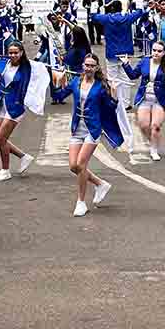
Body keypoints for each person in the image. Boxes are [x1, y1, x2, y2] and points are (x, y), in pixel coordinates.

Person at [51, 54, 120, 217]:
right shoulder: (75, 82)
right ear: (83, 66)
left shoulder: (100, 87)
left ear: (96, 68)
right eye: (86, 65)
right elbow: (59, 96)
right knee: (73, 166)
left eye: (92, 65)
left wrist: (114, 93)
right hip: (77, 129)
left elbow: (111, 107)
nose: (88, 68)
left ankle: (81, 202)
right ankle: (100, 184)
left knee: (81, 165)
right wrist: (58, 81)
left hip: (92, 130)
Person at [0, 41, 39, 183]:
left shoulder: (27, 68)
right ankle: (23, 156)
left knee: (1, 139)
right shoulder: (3, 63)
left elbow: (38, 75)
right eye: (10, 52)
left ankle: (5, 170)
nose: (13, 55)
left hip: (16, 106)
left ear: (22, 53)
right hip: (2, 103)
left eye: (16, 52)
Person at [121, 41, 165, 162]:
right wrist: (126, 64)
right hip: (144, 98)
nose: (156, 53)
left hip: (159, 100)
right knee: (143, 125)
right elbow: (133, 75)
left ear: (164, 53)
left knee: (155, 126)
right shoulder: (144, 61)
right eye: (154, 50)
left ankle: (154, 149)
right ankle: (153, 141)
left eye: (159, 51)